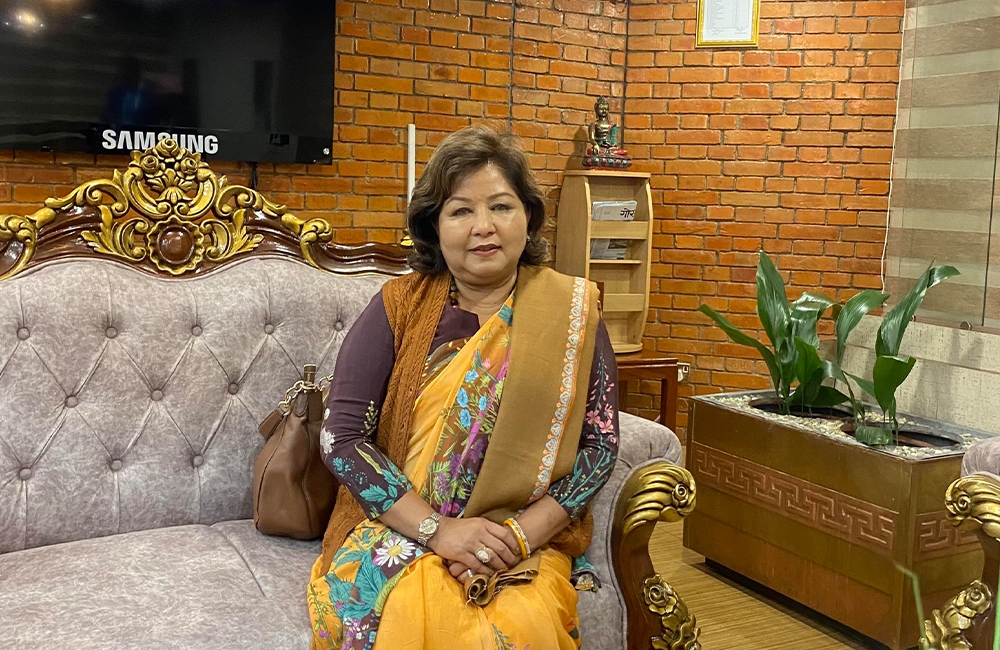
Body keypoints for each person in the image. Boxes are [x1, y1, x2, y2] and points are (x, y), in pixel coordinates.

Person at [307, 125, 620, 650]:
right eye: (460, 211)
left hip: (517, 536)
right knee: (412, 608)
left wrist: (518, 537)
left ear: (529, 217)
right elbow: (342, 438)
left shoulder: (571, 313)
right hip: (403, 529)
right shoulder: (398, 307)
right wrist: (439, 531)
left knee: (519, 624)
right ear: (434, 226)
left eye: (501, 206)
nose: (483, 227)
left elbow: (599, 445)